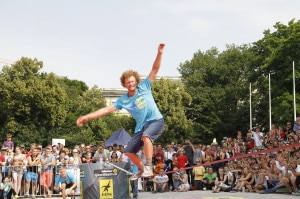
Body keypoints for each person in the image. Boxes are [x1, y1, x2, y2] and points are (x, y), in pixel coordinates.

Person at [76, 43, 166, 180]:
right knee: (129, 151)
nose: (131, 84)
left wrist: (159, 53)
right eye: (128, 82)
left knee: (147, 137)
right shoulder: (123, 100)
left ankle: (148, 166)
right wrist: (87, 117)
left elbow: (155, 69)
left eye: (132, 81)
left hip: (156, 121)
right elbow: (106, 109)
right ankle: (141, 169)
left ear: (136, 81)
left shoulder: (144, 87)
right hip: (141, 127)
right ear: (124, 84)